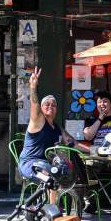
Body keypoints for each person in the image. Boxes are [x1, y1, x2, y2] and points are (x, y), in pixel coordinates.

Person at [18, 67, 77, 202]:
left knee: (62, 173)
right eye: (47, 104)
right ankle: (52, 213)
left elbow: (73, 142)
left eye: (53, 104)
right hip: (30, 164)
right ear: (42, 108)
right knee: (51, 179)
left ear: (56, 109)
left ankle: (55, 209)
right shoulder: (38, 120)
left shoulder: (56, 127)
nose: (50, 106)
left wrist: (92, 150)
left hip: (46, 164)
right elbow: (34, 104)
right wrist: (33, 87)